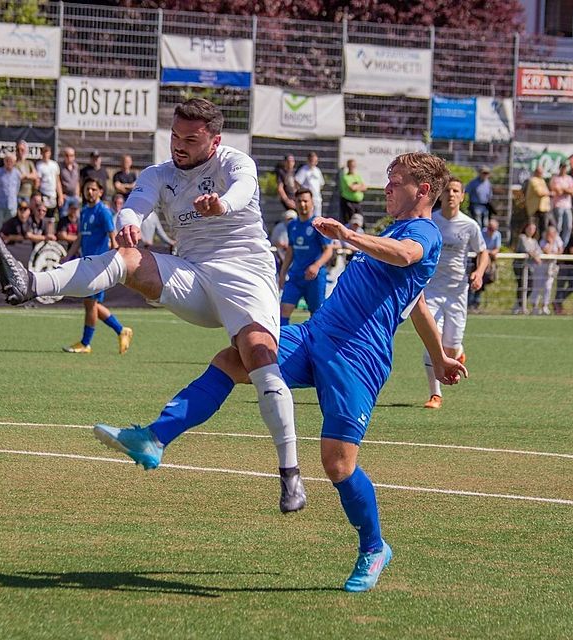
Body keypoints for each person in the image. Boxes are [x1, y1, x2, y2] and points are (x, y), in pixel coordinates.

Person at [86, 152, 466, 592]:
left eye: (395, 182)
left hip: (358, 358)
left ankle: (374, 547)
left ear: (422, 192)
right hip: (314, 335)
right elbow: (415, 300)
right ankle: (153, 438)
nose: (387, 188)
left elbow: (405, 256)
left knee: (337, 464)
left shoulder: (421, 232)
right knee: (236, 356)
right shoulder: (397, 229)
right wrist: (438, 358)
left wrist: (348, 235)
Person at [0, 98, 306, 512]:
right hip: (193, 274)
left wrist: (222, 203)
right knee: (127, 260)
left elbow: (245, 191)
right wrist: (128, 223)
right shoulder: (160, 174)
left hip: (246, 274)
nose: (179, 145)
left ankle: (290, 474)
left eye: (191, 139)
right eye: (175, 136)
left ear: (214, 140)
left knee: (259, 359)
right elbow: (133, 205)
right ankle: (30, 284)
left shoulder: (233, 163)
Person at [421, 176, 488, 409]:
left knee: (451, 345)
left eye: (456, 190)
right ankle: (435, 395)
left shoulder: (469, 225)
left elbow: (483, 252)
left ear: (462, 196)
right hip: (431, 291)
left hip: (457, 293)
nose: (451, 194)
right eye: (448, 190)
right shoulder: (431, 221)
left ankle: (458, 351)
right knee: (433, 344)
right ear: (442, 194)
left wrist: (479, 273)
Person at [63, 178, 132, 355]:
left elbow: (113, 236)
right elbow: (80, 238)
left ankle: (86, 343)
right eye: (87, 189)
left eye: (94, 189)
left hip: (99, 266)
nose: (90, 192)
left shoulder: (103, 212)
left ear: (100, 191)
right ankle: (121, 330)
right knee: (91, 304)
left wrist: (112, 259)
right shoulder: (85, 211)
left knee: (90, 303)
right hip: (87, 264)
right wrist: (68, 257)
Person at [278, 189, 334, 325]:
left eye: (305, 201)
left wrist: (316, 265)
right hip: (295, 276)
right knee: (283, 310)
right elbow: (290, 251)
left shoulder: (318, 225)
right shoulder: (292, 225)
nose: (302, 204)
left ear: (311, 203)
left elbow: (329, 251)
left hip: (314, 277)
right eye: (299, 201)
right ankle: (282, 344)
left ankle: (315, 344)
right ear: (295, 203)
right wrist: (282, 273)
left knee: (316, 314)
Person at [469, 218, 500, 311]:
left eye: (493, 229)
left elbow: (497, 249)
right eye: (490, 229)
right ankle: (470, 303)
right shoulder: (481, 233)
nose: (491, 231)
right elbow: (479, 248)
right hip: (477, 260)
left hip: (488, 263)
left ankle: (476, 303)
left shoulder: (497, 235)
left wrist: (490, 253)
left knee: (483, 282)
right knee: (472, 280)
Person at [532, 225, 562, 315]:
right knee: (537, 286)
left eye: (553, 234)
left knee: (548, 287)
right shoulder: (543, 241)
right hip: (541, 266)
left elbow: (560, 250)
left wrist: (555, 251)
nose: (551, 236)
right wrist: (551, 243)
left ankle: (545, 305)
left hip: (551, 267)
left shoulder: (558, 239)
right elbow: (547, 251)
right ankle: (535, 306)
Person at [513, 222, 539, 315]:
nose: (531, 231)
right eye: (530, 228)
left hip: (529, 267)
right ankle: (520, 306)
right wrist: (535, 256)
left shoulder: (534, 241)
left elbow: (538, 251)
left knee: (530, 286)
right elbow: (527, 249)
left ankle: (520, 303)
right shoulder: (522, 237)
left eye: (533, 229)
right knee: (521, 285)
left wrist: (535, 255)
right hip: (520, 265)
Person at [0, 153, 21, 227]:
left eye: (11, 161)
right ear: (4, 161)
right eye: (7, 160)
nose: (9, 163)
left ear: (14, 162)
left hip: (12, 204)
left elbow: (17, 188)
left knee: (10, 226)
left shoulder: (17, 173)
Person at [549, 162, 573, 247]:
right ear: (560, 168)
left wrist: (563, 189)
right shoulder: (555, 178)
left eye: (565, 168)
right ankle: (556, 245)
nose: (564, 169)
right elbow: (557, 191)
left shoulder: (569, 178)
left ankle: (563, 246)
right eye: (562, 167)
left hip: (567, 206)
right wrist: (566, 190)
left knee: (568, 227)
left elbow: (572, 192)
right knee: (558, 227)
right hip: (558, 205)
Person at [36, 144, 63, 220]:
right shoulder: (39, 165)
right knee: (42, 217)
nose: (45, 154)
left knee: (51, 219)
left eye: (47, 152)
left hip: (53, 195)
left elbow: (58, 181)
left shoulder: (54, 165)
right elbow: (38, 182)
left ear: (50, 153)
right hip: (43, 195)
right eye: (44, 152)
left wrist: (60, 196)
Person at [295, 152, 325, 218]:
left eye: (315, 161)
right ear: (308, 160)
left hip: (317, 199)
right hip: (307, 200)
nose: (313, 162)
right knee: (308, 217)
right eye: (311, 160)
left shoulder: (318, 170)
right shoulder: (303, 170)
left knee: (317, 218)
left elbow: (321, 184)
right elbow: (297, 182)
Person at [524, 165, 552, 231]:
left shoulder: (542, 180)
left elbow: (545, 191)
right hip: (535, 209)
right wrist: (550, 193)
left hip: (544, 208)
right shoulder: (533, 180)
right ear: (536, 172)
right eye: (540, 172)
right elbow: (539, 193)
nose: (542, 174)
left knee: (545, 228)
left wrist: (547, 192)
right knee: (533, 228)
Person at [59, 147, 81, 215]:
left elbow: (77, 181)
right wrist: (60, 196)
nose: (69, 157)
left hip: (74, 196)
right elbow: (58, 182)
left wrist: (77, 195)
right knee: (64, 215)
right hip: (65, 197)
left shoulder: (76, 167)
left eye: (71, 155)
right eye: (67, 155)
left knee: (76, 217)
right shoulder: (60, 167)